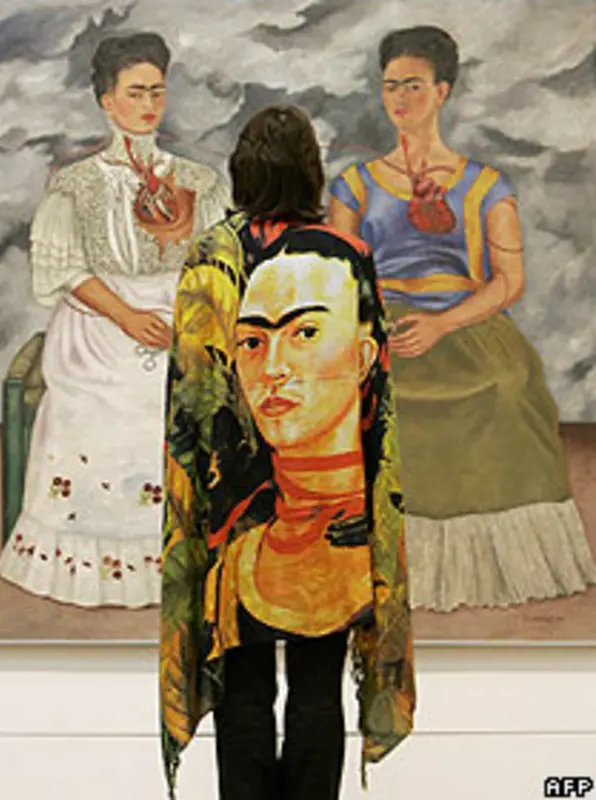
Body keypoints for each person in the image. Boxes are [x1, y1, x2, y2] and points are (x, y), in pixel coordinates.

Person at [159, 106, 415, 800]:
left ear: (242, 171)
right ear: (310, 171)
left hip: (228, 501)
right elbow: (376, 394)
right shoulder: (346, 254)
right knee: (316, 685)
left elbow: (190, 397)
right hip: (337, 499)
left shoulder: (210, 255)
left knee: (243, 689)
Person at [329, 25, 596, 612]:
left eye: (414, 85)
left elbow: (509, 282)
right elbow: (340, 276)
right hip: (382, 323)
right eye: (391, 85)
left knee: (508, 386)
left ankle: (491, 567)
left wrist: (443, 324)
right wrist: (374, 326)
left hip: (465, 321)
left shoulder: (485, 186)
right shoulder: (354, 185)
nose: (400, 98)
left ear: (442, 91)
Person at [0, 33, 230, 607]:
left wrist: (190, 318)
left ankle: (188, 553)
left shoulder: (198, 181)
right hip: (99, 320)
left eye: (157, 91)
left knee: (199, 389)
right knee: (118, 398)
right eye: (135, 92)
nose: (149, 104)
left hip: (181, 312)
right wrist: (125, 315)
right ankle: (100, 560)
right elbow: (66, 269)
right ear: (107, 100)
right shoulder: (76, 184)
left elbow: (218, 263)